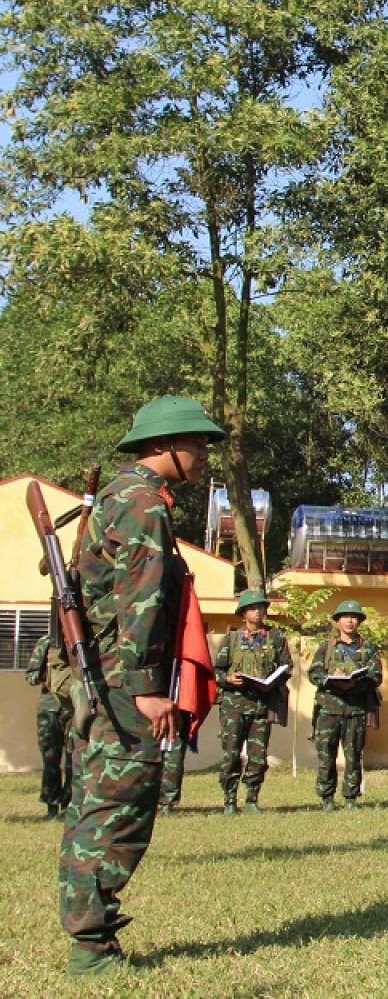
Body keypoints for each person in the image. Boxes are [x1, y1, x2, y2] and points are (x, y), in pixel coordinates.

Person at [60, 395, 226, 976]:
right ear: (162, 446)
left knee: (98, 804)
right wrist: (146, 688)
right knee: (116, 809)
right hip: (125, 685)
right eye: (196, 443)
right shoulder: (140, 504)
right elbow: (142, 602)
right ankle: (90, 949)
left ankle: (92, 937)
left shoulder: (122, 497)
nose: (203, 454)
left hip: (107, 680)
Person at [212, 589, 292, 815]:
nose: (258, 612)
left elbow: (287, 667)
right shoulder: (232, 639)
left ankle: (252, 798)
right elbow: (216, 672)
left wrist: (273, 680)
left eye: (261, 608)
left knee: (258, 755)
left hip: (261, 706)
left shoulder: (276, 638)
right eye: (252, 608)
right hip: (233, 706)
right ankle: (229, 800)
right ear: (243, 613)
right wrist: (227, 679)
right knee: (231, 755)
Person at [308, 600, 384, 811]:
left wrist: (357, 680)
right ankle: (327, 798)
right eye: (345, 617)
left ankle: (351, 798)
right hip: (329, 710)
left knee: (353, 757)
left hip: (355, 711)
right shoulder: (326, 647)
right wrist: (330, 678)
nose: (349, 621)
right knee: (326, 755)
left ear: (358, 621)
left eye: (353, 618)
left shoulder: (367, 647)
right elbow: (313, 673)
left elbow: (376, 676)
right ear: (337, 621)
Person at [27, 628, 74, 819]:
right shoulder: (47, 642)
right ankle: (51, 804)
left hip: (75, 709)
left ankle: (70, 805)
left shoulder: (83, 641)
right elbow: (31, 676)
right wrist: (47, 674)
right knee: (50, 760)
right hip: (50, 708)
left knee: (75, 760)